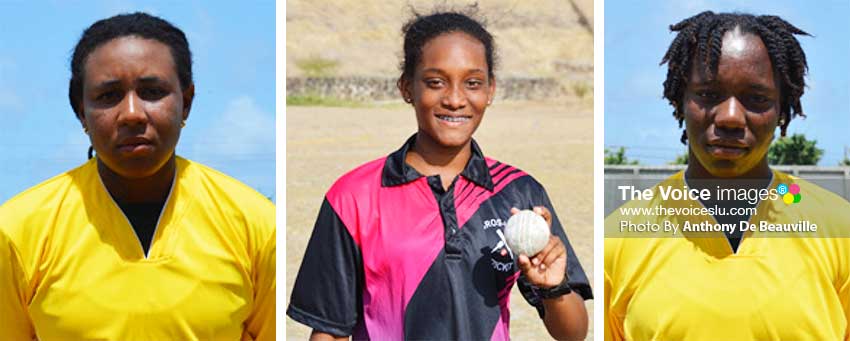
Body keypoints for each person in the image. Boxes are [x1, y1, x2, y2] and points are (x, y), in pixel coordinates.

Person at [287, 10, 592, 341]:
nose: (456, 100)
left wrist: (553, 286)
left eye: (473, 83)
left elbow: (573, 334)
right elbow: (329, 332)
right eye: (435, 82)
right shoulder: (353, 196)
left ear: (490, 90)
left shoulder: (519, 192)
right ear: (407, 88)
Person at [0, 13, 275, 340]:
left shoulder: (255, 225)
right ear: (80, 110)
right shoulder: (18, 231)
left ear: (185, 103)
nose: (132, 113)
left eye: (152, 91)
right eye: (108, 96)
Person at [604, 11, 850, 340]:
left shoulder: (838, 230)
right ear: (680, 101)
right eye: (708, 94)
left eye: (757, 99)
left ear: (782, 109)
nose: (731, 117)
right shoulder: (619, 238)